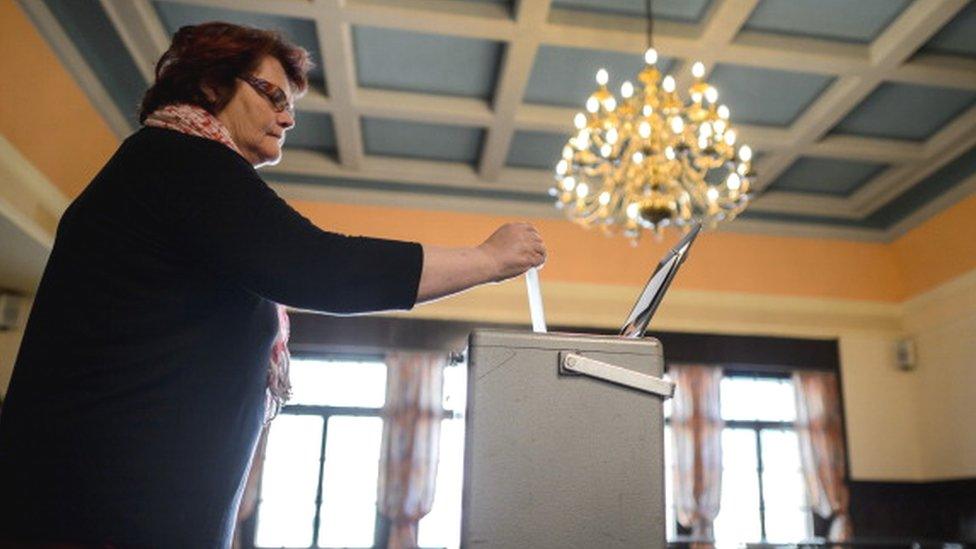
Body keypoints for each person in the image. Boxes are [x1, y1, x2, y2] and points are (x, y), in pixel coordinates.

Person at [0, 22, 545, 548]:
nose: (287, 119)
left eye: (291, 106)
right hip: (93, 520)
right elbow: (319, 268)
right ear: (211, 84)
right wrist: (487, 259)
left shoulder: (167, 166)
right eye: (273, 96)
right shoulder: (180, 161)